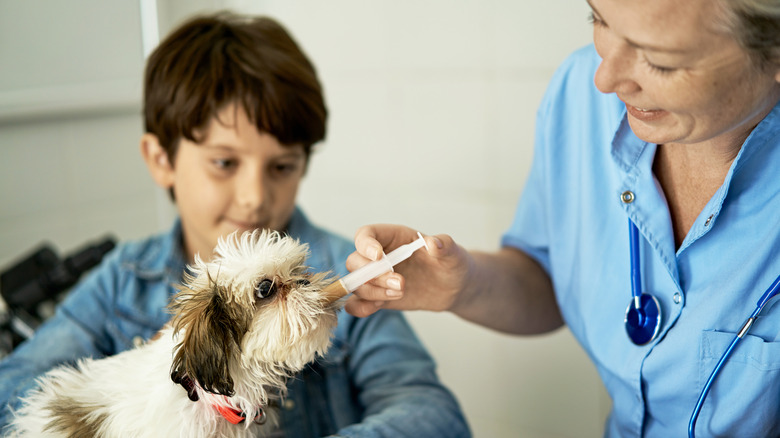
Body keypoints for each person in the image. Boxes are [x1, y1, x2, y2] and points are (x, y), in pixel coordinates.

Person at [0, 12, 470, 437]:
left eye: (281, 166)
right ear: (161, 159)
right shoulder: (122, 281)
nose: (254, 196)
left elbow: (432, 413)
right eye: (224, 162)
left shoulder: (345, 269)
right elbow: (14, 390)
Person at [344, 0, 780, 436]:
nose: (605, 79)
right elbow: (552, 275)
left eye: (660, 62)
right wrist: (464, 285)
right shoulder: (579, 93)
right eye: (600, 20)